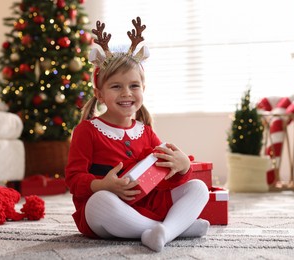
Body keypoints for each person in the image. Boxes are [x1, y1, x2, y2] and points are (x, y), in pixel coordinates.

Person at [65, 17, 209, 252]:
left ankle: (162, 231)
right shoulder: (87, 131)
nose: (126, 93)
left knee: (198, 188)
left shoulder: (147, 132)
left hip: (148, 203)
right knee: (99, 203)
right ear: (99, 94)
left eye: (134, 86)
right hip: (111, 207)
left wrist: (183, 167)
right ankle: (172, 229)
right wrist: (102, 185)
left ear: (143, 89)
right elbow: (73, 179)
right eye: (116, 86)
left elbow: (165, 176)